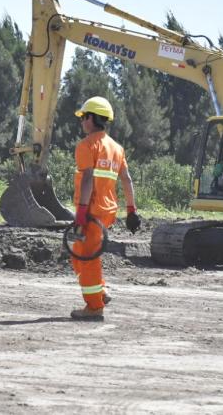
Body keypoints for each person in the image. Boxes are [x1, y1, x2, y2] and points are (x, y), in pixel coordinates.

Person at [69, 96, 140, 321]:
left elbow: (88, 179)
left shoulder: (87, 146)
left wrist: (80, 214)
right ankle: (100, 290)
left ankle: (94, 306)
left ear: (91, 118)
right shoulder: (116, 148)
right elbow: (126, 179)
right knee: (79, 254)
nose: (81, 122)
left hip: (91, 212)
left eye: (83, 117)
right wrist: (131, 211)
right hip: (107, 211)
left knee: (88, 259)